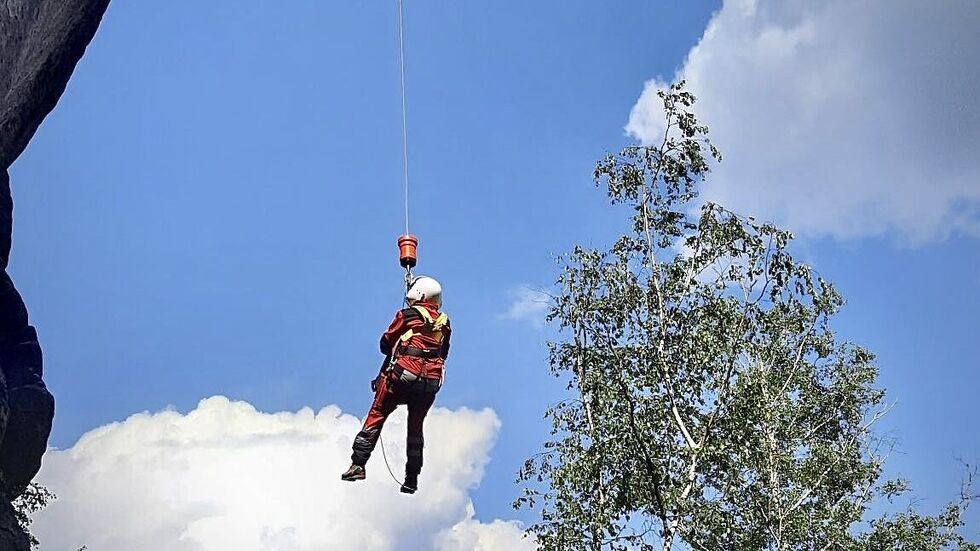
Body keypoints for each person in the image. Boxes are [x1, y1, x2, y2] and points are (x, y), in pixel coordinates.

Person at [341, 276, 450, 494]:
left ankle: (358, 465)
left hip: (401, 377)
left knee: (378, 413)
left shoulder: (407, 315)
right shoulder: (445, 322)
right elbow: (444, 352)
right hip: (429, 383)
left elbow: (385, 343)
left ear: (418, 294)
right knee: (416, 427)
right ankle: (411, 479)